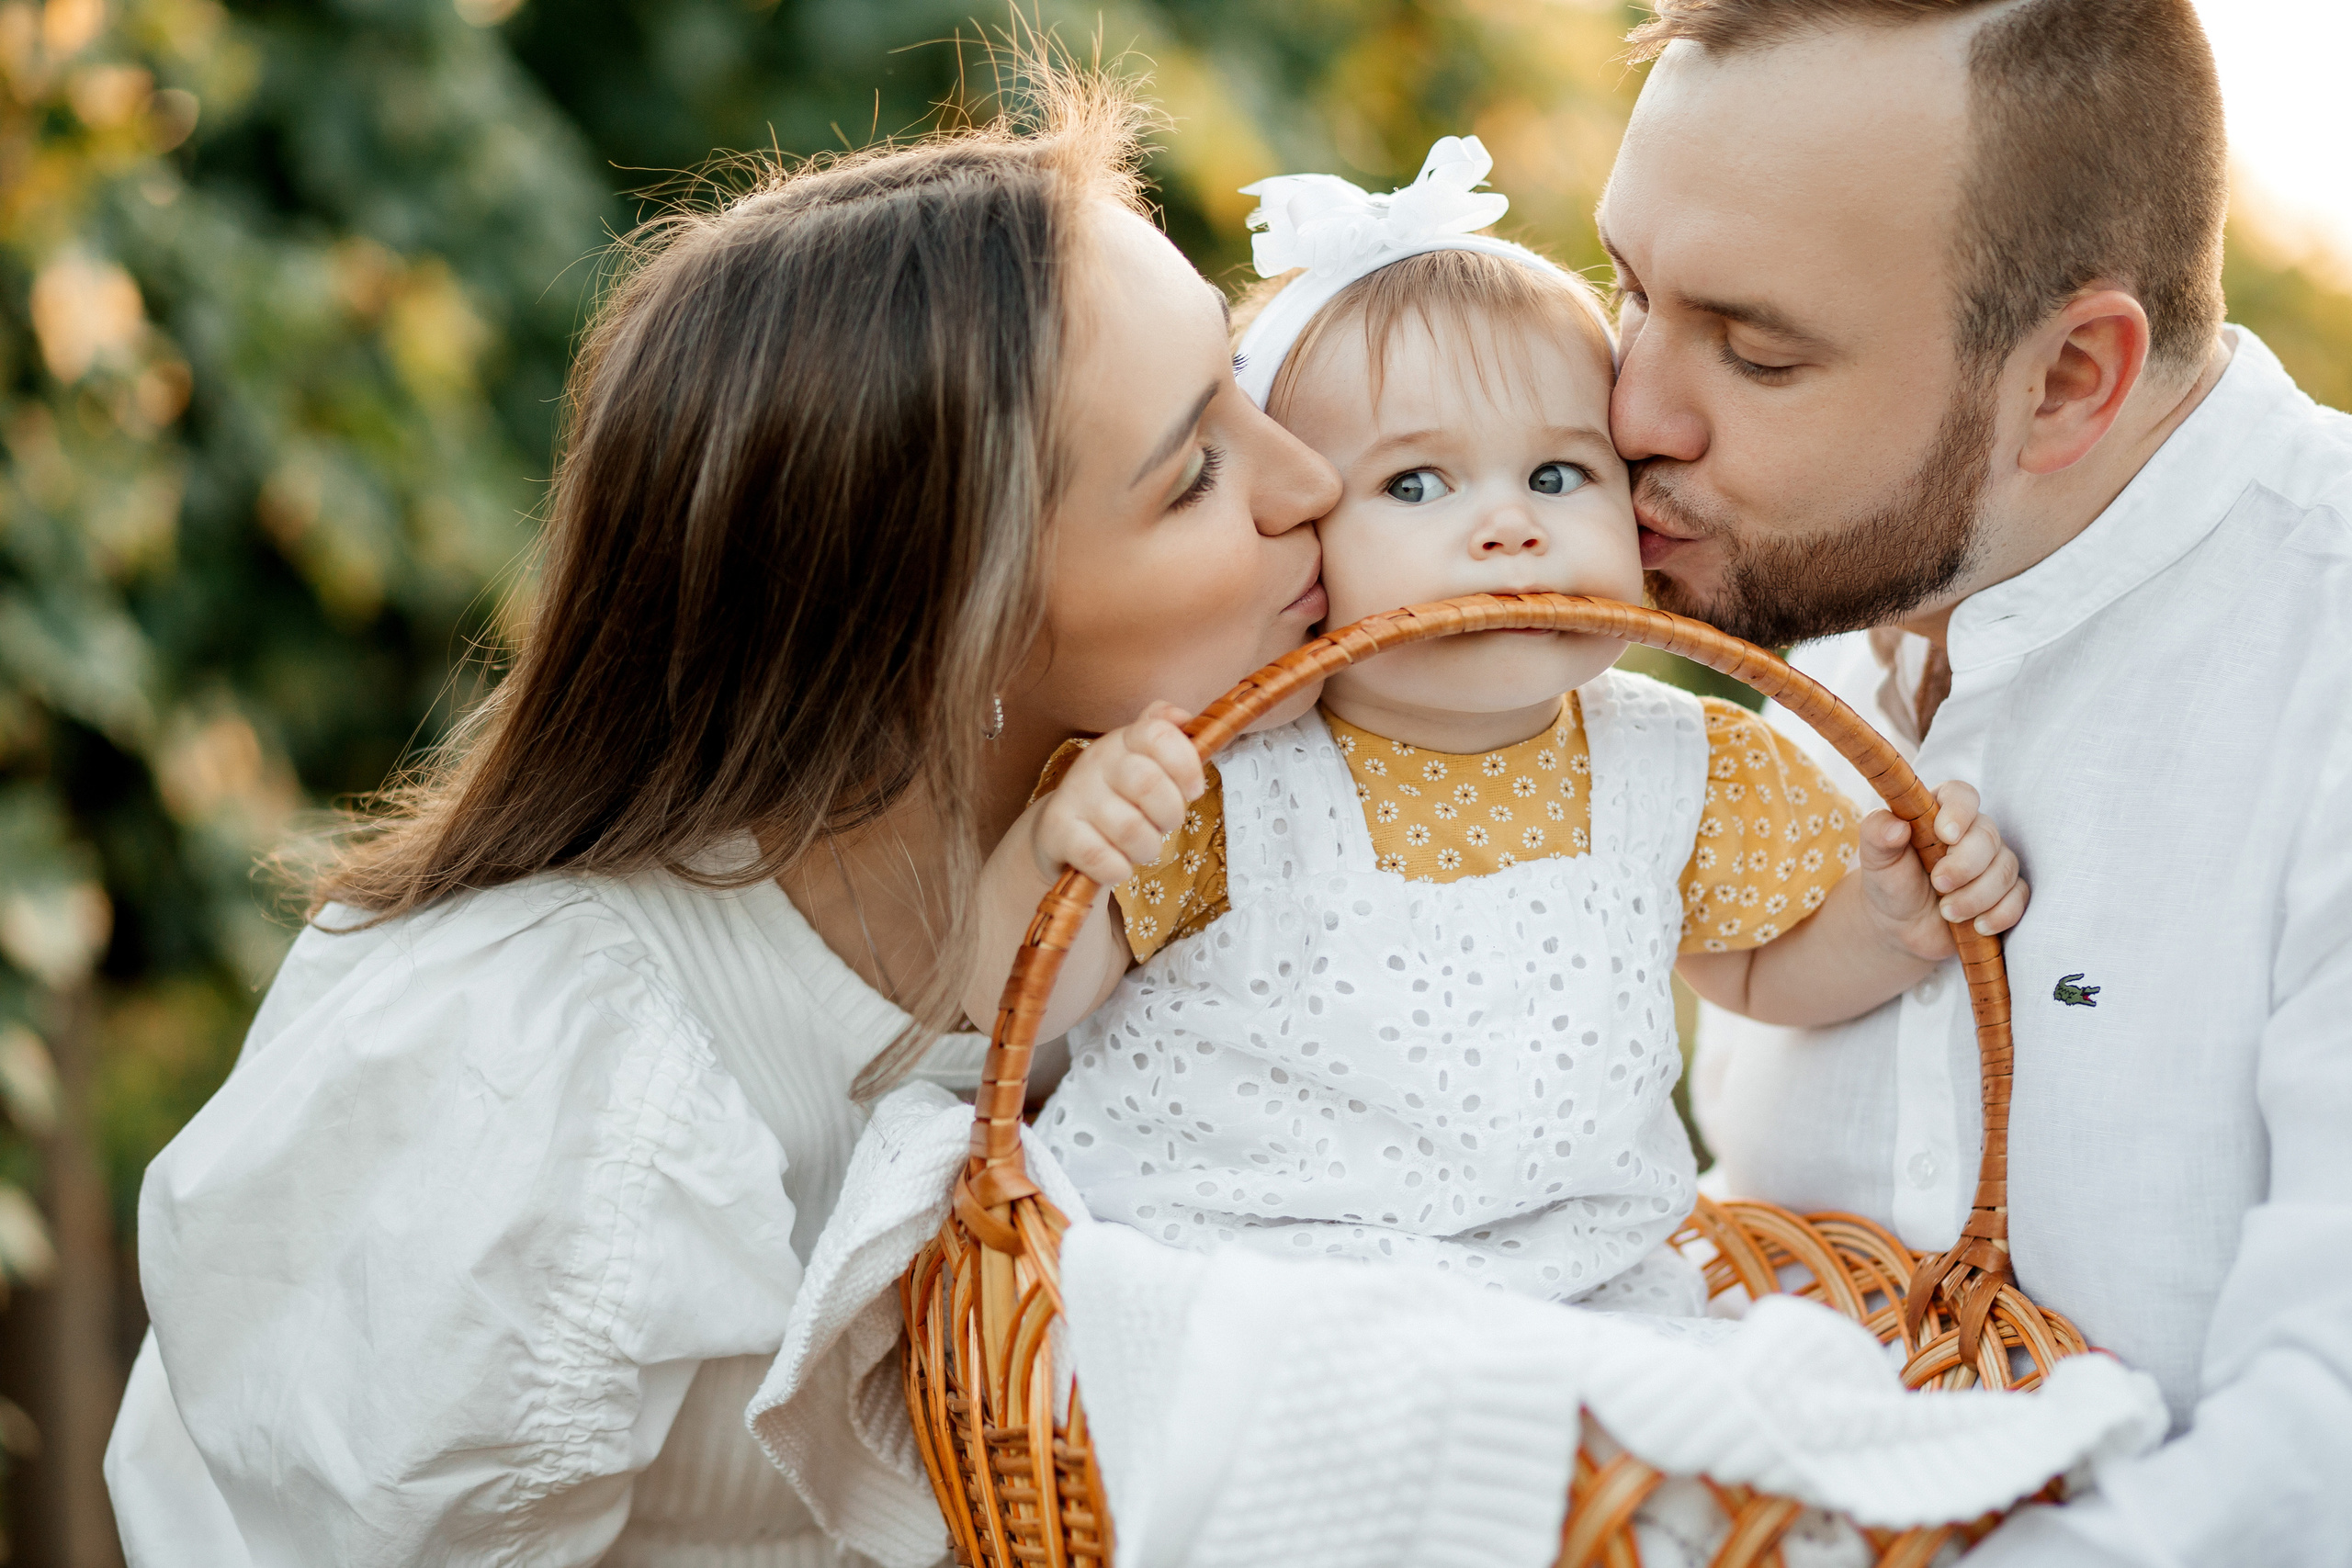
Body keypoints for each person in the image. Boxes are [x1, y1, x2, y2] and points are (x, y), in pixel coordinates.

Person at [101, 71, 1350, 1566]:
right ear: (944, 630)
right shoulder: (528, 1064)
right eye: (1196, 470)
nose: (1314, 481)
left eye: (1240, 385)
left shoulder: (1231, 867)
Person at [967, 140, 2027, 1313]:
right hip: (1250, 1283)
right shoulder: (1221, 777)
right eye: (1416, 486)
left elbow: (1758, 965)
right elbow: (1018, 1002)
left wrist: (1888, 926)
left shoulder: (1680, 762)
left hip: (1568, 1292)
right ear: (1307, 535)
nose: (1509, 529)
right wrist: (1053, 850)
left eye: (1560, 477)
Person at [1599, 1, 2352, 1562]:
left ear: (2072, 376)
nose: (1630, 414)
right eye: (1626, 291)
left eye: (1754, 349)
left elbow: (2320, 1452)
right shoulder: (1807, 643)